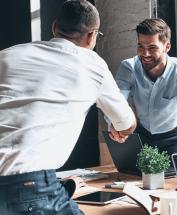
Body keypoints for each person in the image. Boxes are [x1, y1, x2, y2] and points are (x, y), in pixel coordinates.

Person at [0, 0, 136, 214]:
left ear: (54, 27)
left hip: (30, 185)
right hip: (30, 188)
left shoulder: (7, 55)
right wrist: (119, 128)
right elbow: (127, 124)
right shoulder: (92, 63)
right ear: (92, 36)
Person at [114, 18, 177, 156]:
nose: (145, 53)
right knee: (136, 177)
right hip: (143, 136)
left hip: (175, 139)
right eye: (140, 46)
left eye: (152, 48)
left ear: (167, 47)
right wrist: (115, 125)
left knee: (176, 177)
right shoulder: (128, 67)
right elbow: (116, 101)